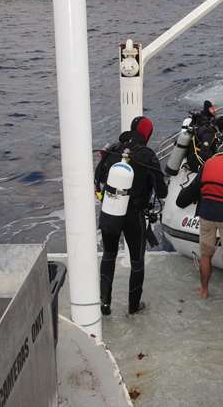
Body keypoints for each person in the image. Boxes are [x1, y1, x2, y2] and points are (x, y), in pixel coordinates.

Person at [95, 116, 168, 316]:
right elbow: (162, 192)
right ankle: (133, 307)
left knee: (109, 255)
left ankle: (105, 304)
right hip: (133, 215)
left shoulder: (113, 150)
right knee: (137, 262)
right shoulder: (147, 155)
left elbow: (99, 178)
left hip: (110, 211)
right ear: (148, 134)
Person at [176, 137, 223, 301]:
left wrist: (181, 201)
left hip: (206, 213)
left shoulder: (208, 163)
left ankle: (204, 290)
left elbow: (195, 188)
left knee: (205, 255)